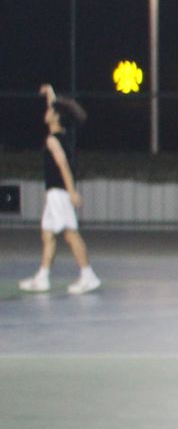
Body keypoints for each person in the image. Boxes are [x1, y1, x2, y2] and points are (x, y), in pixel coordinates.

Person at [20, 85, 100, 294]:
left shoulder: (52, 141)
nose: (46, 112)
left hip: (59, 193)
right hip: (55, 194)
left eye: (50, 110)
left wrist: (72, 192)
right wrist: (50, 93)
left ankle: (88, 276)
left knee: (70, 234)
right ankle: (43, 277)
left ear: (56, 117)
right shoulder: (62, 135)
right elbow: (57, 109)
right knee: (48, 234)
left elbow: (63, 165)